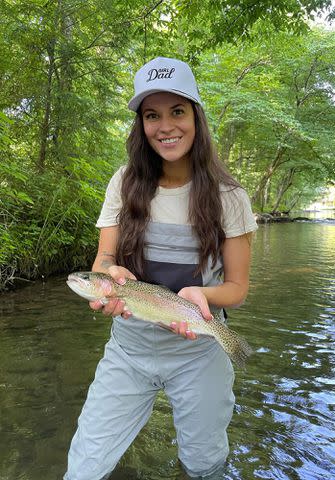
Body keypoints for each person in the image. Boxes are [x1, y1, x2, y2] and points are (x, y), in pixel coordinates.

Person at [64, 56, 257, 480]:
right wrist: (108, 277)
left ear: (196, 117)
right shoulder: (124, 181)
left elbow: (237, 288)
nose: (165, 126)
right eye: (152, 115)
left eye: (177, 111)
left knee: (204, 467)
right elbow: (105, 260)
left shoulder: (230, 196)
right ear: (141, 124)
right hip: (128, 350)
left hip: (200, 350)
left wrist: (200, 296)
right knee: (83, 468)